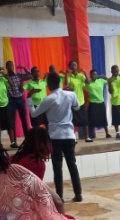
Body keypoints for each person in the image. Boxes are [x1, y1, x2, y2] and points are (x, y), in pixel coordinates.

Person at [30, 72, 83, 202]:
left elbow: (34, 114)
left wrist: (29, 98)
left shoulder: (49, 99)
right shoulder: (70, 94)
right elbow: (77, 107)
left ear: (50, 84)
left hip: (55, 136)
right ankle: (78, 194)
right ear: (58, 82)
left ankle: (59, 197)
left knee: (57, 167)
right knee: (72, 164)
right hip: (69, 135)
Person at [64, 60, 93, 142]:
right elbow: (66, 84)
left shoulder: (80, 76)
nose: (74, 66)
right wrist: (66, 74)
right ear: (70, 67)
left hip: (81, 101)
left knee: (84, 120)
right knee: (72, 121)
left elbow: (88, 82)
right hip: (72, 102)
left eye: (75, 65)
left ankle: (87, 137)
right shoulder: (69, 76)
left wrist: (84, 72)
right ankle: (73, 137)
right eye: (72, 65)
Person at [6, 61, 30, 139]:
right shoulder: (4, 77)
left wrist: (23, 68)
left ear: (13, 66)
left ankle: (27, 138)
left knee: (24, 120)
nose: (10, 67)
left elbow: (30, 75)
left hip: (20, 99)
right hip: (11, 100)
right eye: (8, 66)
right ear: (6, 67)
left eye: (11, 65)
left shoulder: (18, 75)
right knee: (11, 121)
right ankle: (14, 141)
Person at [85, 69, 111, 139]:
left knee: (103, 119)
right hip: (93, 103)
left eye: (95, 74)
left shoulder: (101, 81)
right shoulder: (88, 83)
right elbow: (84, 82)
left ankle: (107, 133)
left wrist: (101, 76)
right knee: (92, 119)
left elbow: (109, 80)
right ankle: (92, 134)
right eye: (93, 74)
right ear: (90, 75)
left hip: (101, 103)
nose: (94, 76)